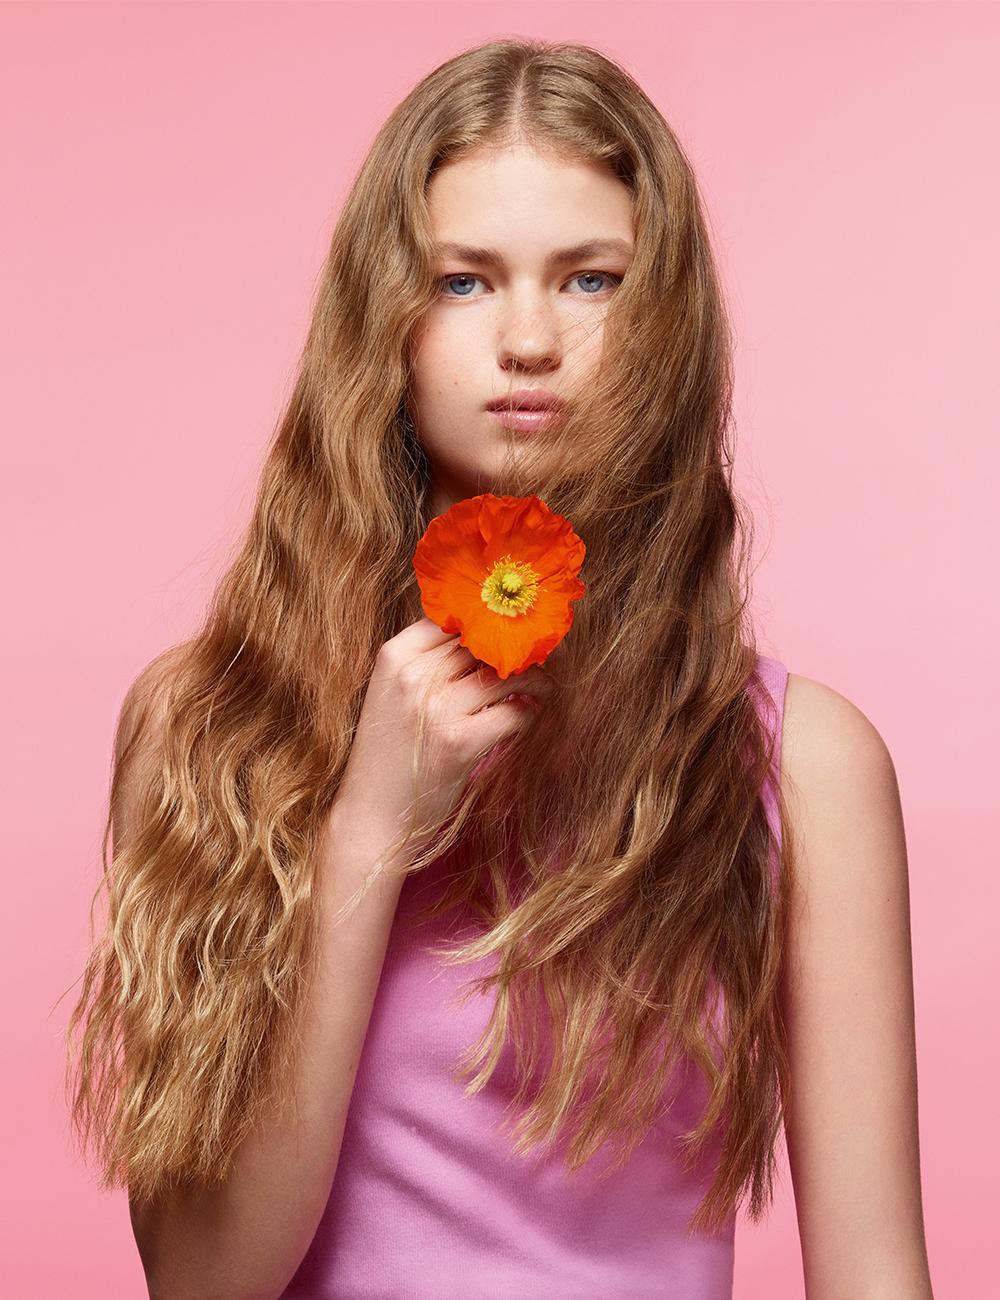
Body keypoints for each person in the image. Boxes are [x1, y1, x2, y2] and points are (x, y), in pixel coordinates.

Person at [64, 37, 934, 1300]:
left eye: (591, 282)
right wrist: (366, 830)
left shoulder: (799, 765)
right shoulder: (207, 722)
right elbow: (201, 1280)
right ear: (386, 319)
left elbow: (872, 1275)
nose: (529, 338)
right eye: (463, 283)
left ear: (665, 321)